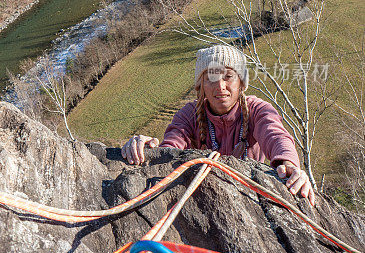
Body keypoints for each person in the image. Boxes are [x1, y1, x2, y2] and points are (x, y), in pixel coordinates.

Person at [121, 44, 315, 206]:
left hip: (251, 199)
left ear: (241, 82)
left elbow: (275, 135)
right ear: (201, 86)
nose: (220, 86)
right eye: (211, 78)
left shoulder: (257, 109)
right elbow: (171, 147)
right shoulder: (189, 115)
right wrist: (148, 150)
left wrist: (288, 164)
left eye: (228, 76)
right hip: (202, 202)